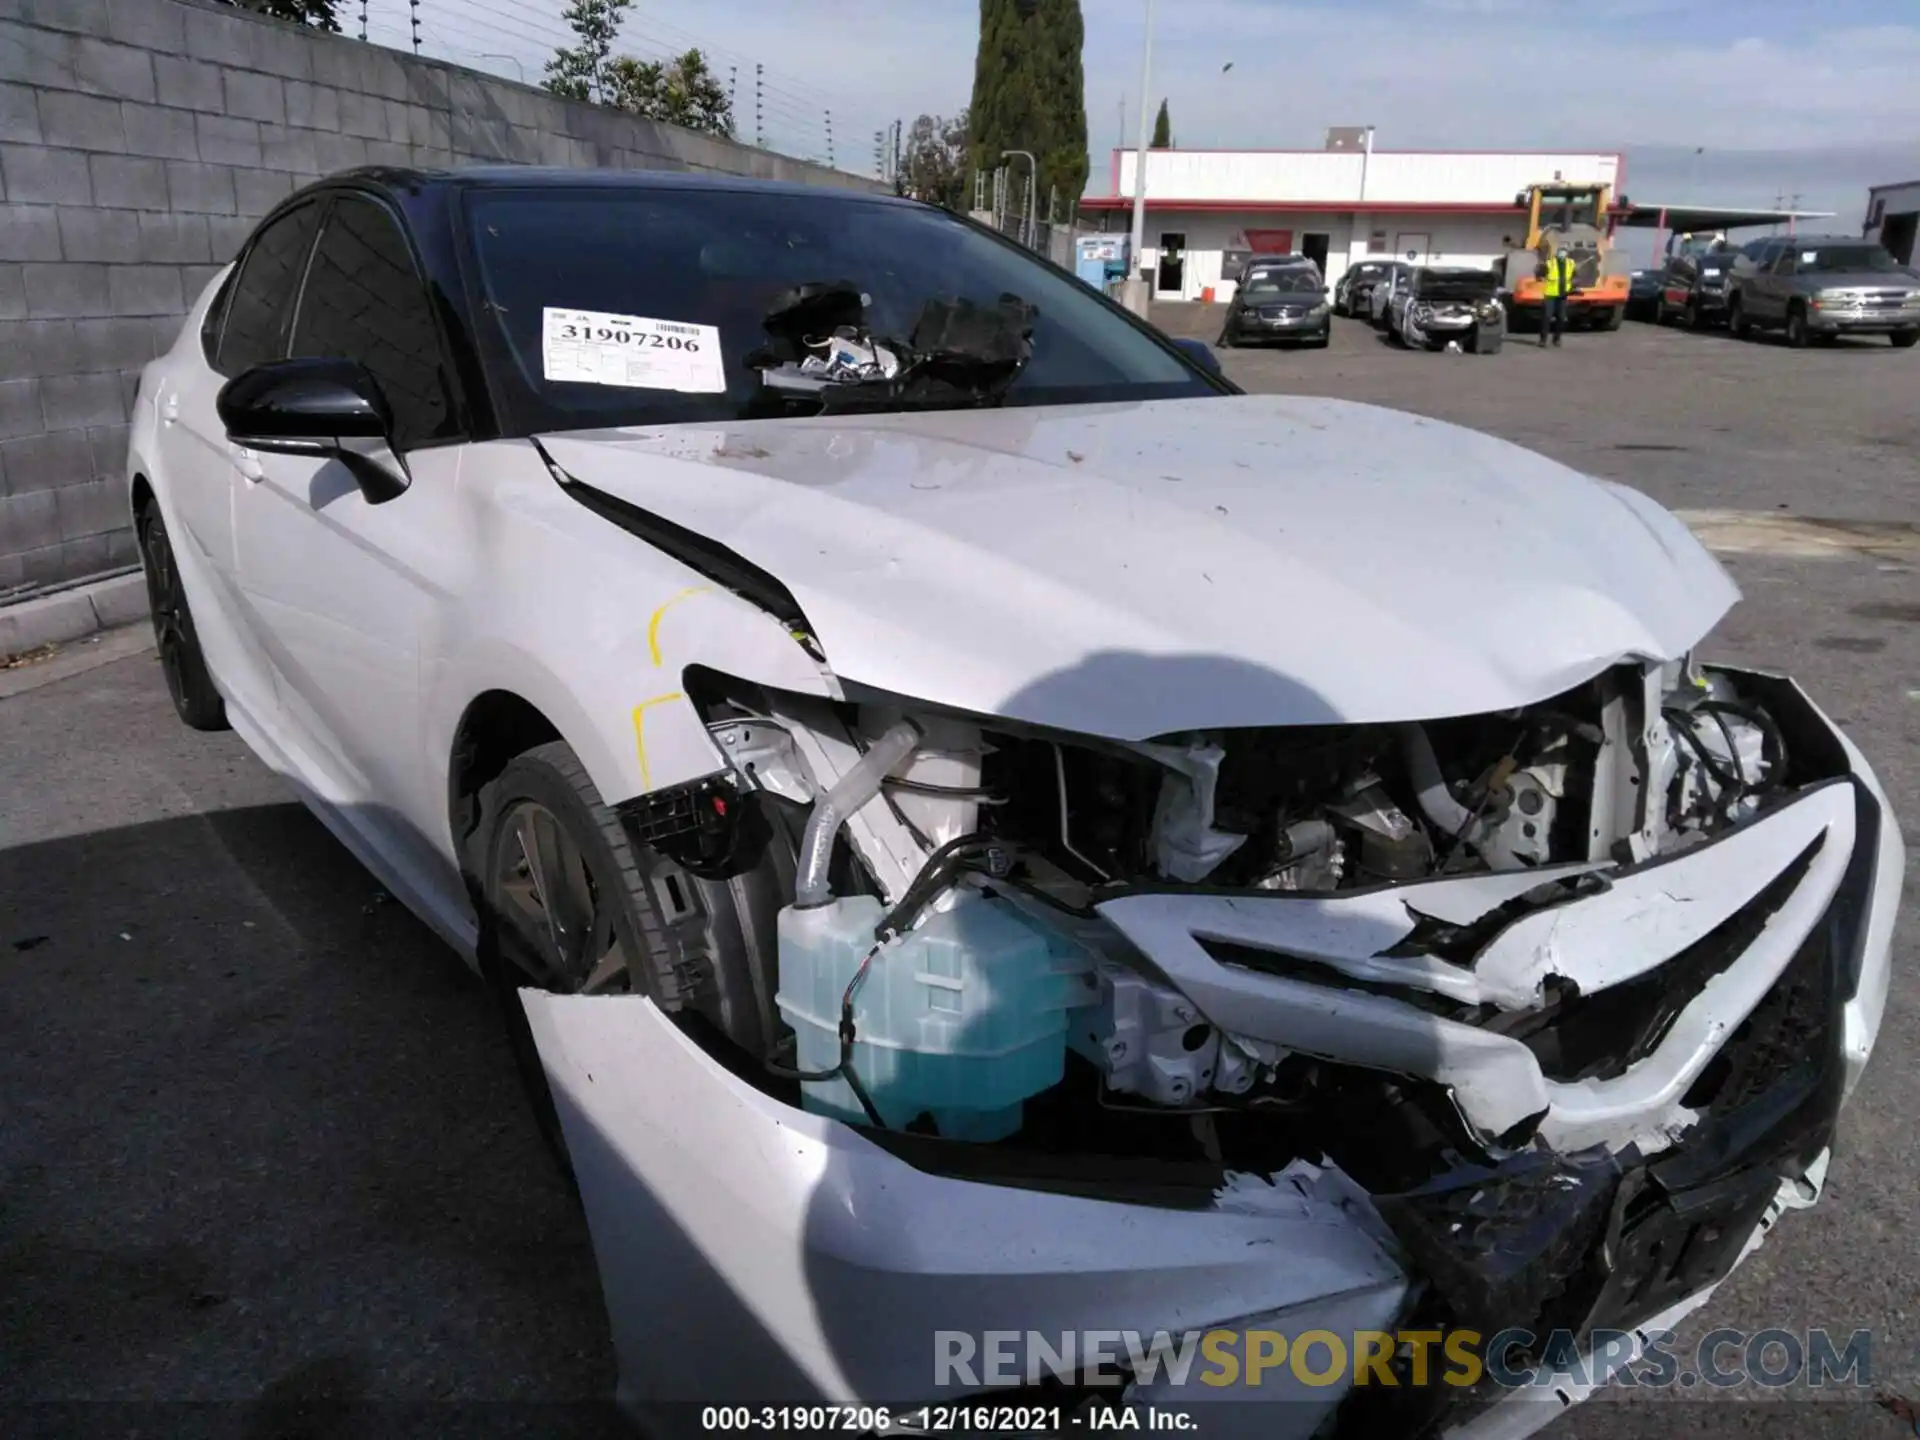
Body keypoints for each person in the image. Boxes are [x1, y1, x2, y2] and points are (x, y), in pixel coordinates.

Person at [1536, 235, 1575, 348]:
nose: (1562, 253)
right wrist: (1540, 275)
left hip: (1563, 294)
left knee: (1561, 317)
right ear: (1557, 252)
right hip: (1550, 294)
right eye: (1561, 251)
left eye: (1564, 251)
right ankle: (1543, 340)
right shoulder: (1550, 263)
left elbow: (1575, 276)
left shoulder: (1571, 263)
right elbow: (1540, 274)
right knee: (1547, 316)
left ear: (1567, 253)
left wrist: (1574, 284)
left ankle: (1557, 339)